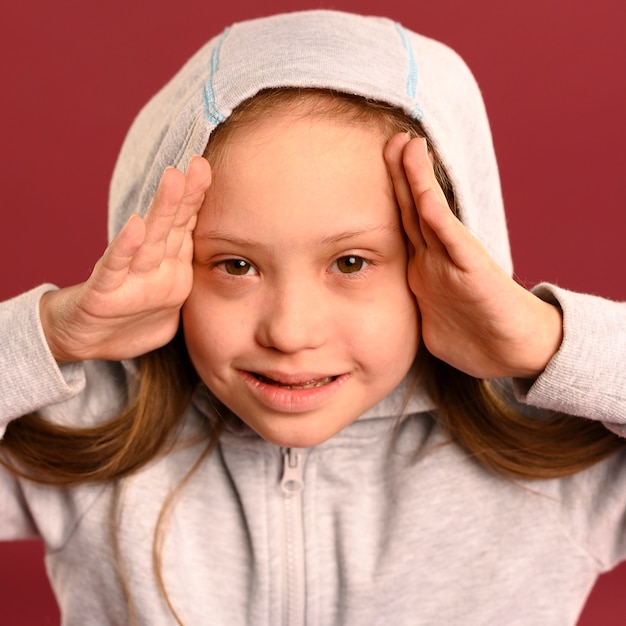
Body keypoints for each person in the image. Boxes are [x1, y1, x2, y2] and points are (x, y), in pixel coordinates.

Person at [1, 9, 625, 625]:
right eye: (235, 266)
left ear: (454, 256)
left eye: (351, 262)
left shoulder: (559, 463)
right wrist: (50, 336)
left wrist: (549, 341)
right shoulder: (93, 435)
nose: (290, 332)